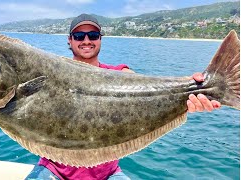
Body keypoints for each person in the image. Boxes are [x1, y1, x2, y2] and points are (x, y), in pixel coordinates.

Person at [26, 13, 221, 180]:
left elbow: (147, 87)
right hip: (53, 169)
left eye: (93, 35)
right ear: (70, 40)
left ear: (100, 39)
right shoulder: (51, 75)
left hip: (107, 174)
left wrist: (192, 86)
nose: (86, 40)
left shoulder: (119, 73)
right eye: (79, 36)